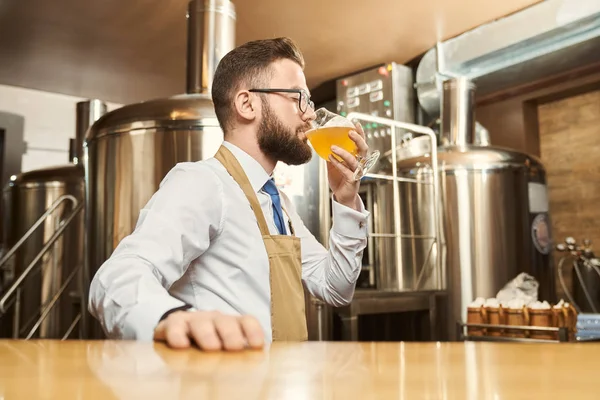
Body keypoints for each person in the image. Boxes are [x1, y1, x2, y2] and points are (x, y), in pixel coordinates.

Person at [88, 37, 371, 351]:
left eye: (309, 100)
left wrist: (345, 200)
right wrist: (170, 317)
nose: (309, 114)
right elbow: (116, 276)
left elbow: (335, 288)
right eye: (298, 98)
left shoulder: (279, 203)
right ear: (247, 104)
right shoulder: (203, 182)